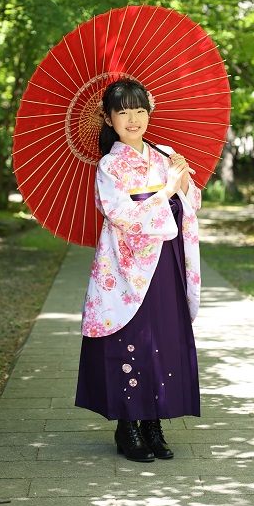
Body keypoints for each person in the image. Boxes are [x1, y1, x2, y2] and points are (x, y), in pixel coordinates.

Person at [75, 78, 202, 462]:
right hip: (127, 268)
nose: (133, 118)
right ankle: (127, 426)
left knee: (163, 338)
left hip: (167, 260)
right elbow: (121, 215)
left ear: (150, 112)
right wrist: (166, 192)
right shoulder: (110, 165)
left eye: (140, 109)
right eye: (123, 111)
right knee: (131, 338)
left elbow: (191, 203)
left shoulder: (164, 154)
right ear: (109, 119)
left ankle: (154, 424)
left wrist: (184, 179)